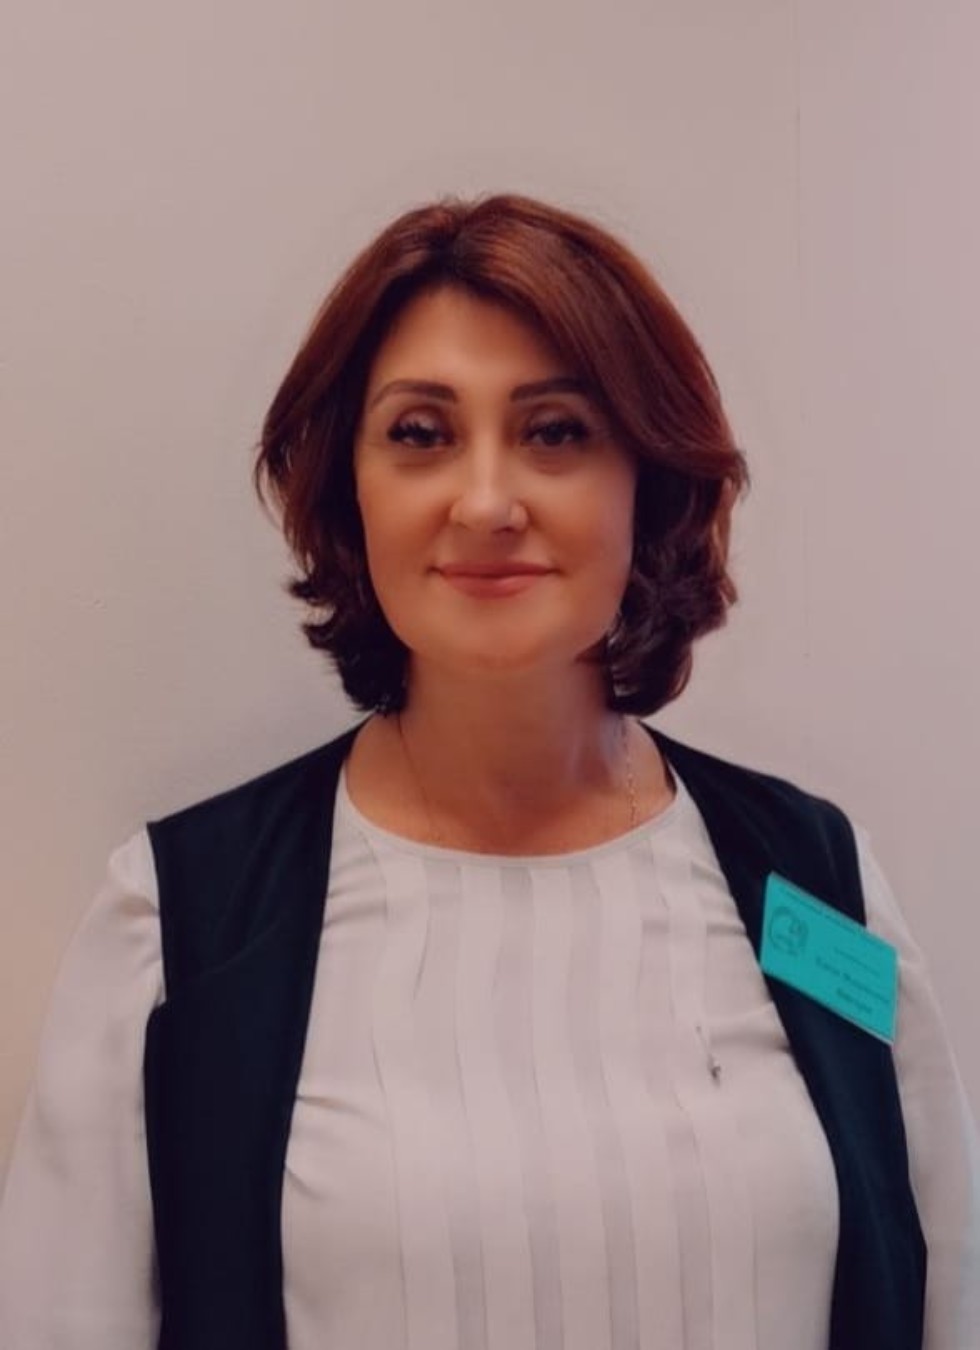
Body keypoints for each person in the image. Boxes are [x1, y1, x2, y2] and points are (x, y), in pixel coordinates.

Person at [0, 191, 977, 1350]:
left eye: (555, 432)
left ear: (647, 478)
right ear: (348, 490)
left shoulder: (815, 892)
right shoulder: (181, 928)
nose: (485, 502)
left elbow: (943, 1285)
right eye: (420, 434)